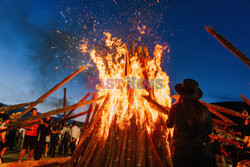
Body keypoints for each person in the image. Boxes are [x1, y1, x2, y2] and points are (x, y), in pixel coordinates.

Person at [166, 79, 216, 167]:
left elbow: (169, 124)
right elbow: (209, 130)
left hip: (182, 151)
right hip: (201, 152)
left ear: (181, 94)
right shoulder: (204, 109)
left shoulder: (175, 108)